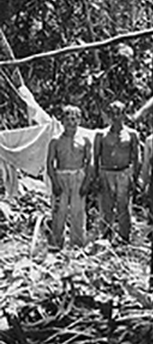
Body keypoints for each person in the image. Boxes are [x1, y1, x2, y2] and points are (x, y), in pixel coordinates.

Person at [94, 101, 141, 242]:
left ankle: (124, 238)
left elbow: (136, 157)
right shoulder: (100, 134)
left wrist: (135, 177)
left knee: (124, 208)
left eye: (119, 113)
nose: (116, 116)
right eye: (113, 113)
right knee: (106, 208)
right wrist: (95, 177)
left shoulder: (132, 134)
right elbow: (95, 157)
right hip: (106, 173)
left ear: (124, 115)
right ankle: (105, 238)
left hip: (124, 174)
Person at [47, 105, 92, 248]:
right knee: (59, 211)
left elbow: (89, 162)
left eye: (74, 119)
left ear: (79, 120)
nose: (71, 122)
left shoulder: (85, 140)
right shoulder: (55, 140)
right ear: (62, 121)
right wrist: (54, 182)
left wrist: (86, 182)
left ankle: (77, 245)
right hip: (61, 176)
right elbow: (49, 163)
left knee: (78, 212)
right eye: (68, 119)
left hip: (78, 177)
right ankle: (56, 243)